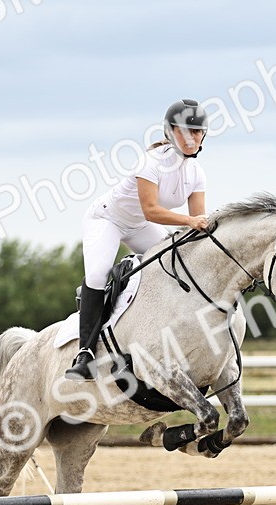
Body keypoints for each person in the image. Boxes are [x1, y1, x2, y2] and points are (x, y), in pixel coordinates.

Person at [65, 99, 210, 381]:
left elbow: (198, 224)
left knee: (175, 263)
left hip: (140, 226)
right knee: (97, 274)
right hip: (107, 220)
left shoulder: (197, 173)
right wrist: (191, 222)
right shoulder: (151, 162)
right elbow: (152, 210)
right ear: (170, 132)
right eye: (184, 131)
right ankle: (85, 353)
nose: (191, 138)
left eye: (197, 132)